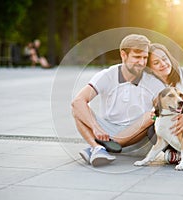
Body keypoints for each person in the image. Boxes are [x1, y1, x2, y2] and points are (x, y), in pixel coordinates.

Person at [71, 34, 165, 167]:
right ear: (123, 55)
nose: (142, 62)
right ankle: (99, 148)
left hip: (137, 141)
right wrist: (96, 128)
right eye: (137, 57)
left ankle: (100, 147)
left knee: (152, 115)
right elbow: (78, 101)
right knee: (77, 107)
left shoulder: (153, 83)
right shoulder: (107, 75)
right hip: (106, 133)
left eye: (145, 58)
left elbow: (164, 109)